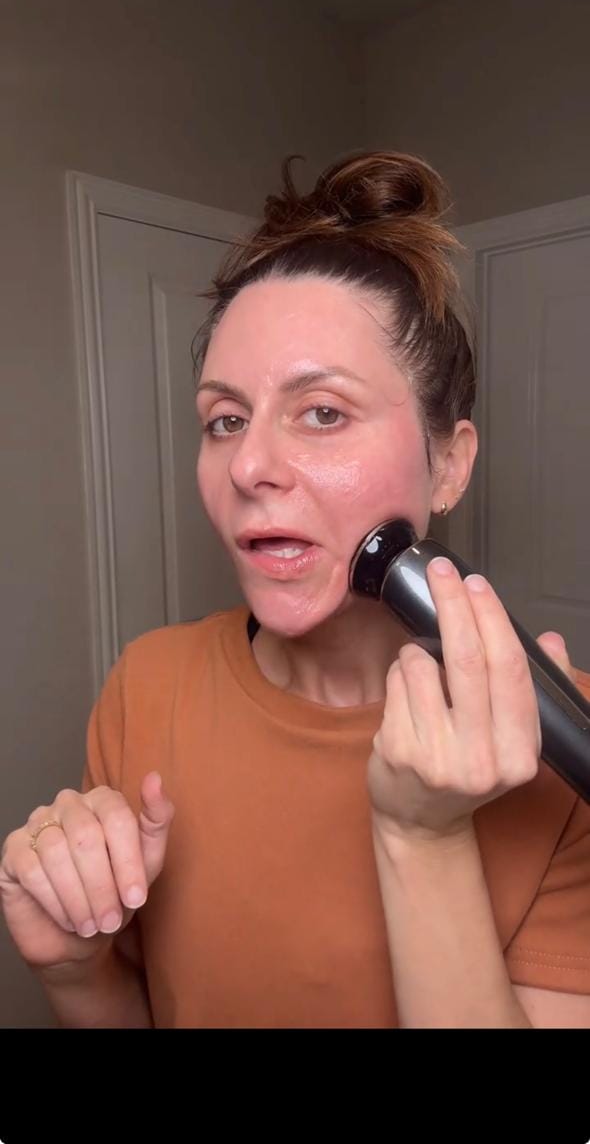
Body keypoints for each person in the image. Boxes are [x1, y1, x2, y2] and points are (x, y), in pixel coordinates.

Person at [2, 150, 590, 1029]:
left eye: (323, 411)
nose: (248, 464)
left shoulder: (559, 751)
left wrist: (424, 833)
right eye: (225, 419)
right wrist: (75, 974)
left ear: (449, 464)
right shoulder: (146, 685)